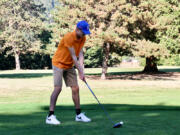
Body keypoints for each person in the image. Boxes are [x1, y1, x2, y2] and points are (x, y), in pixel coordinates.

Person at [46, 20, 91, 125]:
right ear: (77, 29)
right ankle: (50, 116)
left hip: (69, 65)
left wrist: (82, 72)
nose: (84, 34)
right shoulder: (68, 37)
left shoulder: (83, 38)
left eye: (85, 32)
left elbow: (80, 54)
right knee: (58, 88)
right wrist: (80, 72)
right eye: (83, 31)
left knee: (75, 88)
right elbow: (74, 57)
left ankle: (78, 115)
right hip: (59, 63)